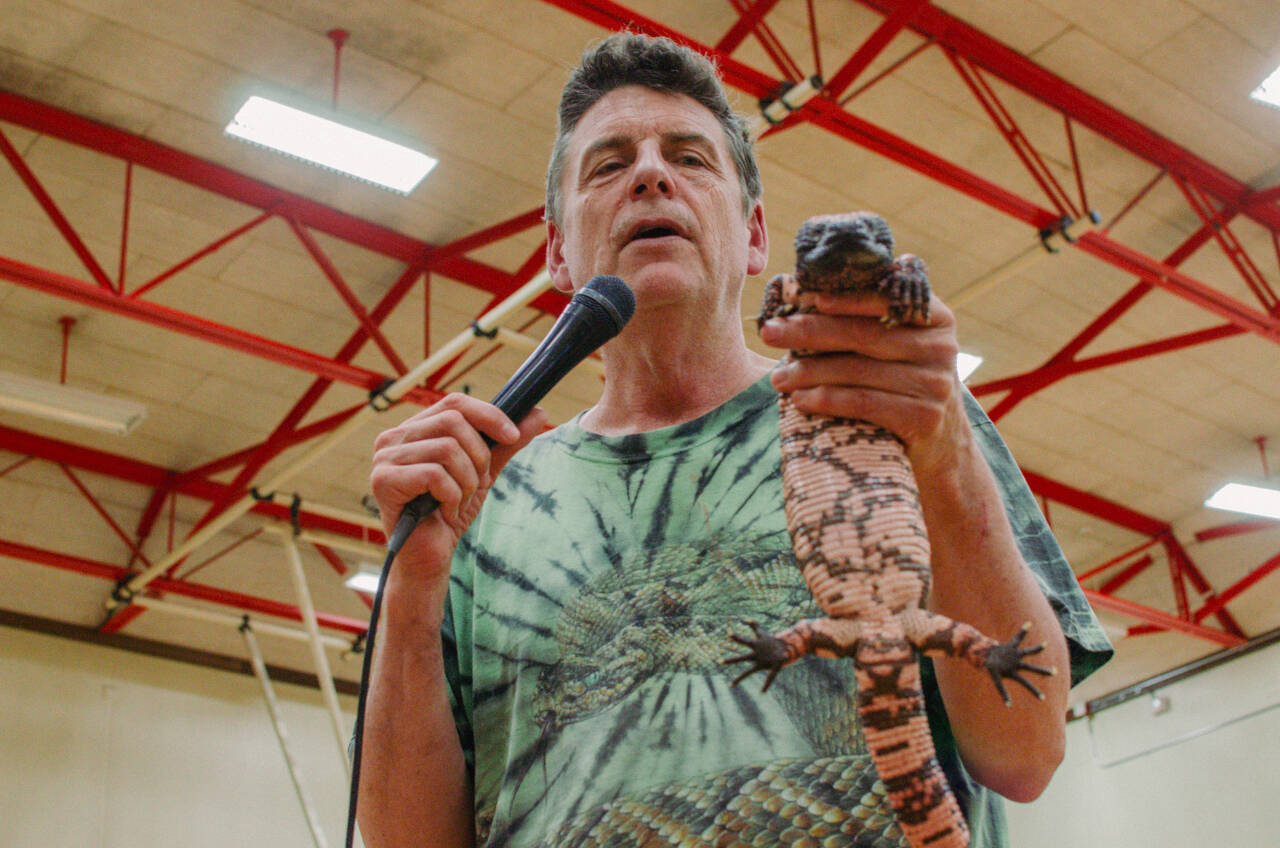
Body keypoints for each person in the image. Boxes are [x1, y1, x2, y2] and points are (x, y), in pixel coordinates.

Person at [362, 32, 1111, 848]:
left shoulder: (901, 408)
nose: (651, 174)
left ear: (755, 237)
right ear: (557, 255)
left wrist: (948, 459)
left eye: (690, 157)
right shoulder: (482, 501)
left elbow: (1027, 754)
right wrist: (413, 583)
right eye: (608, 166)